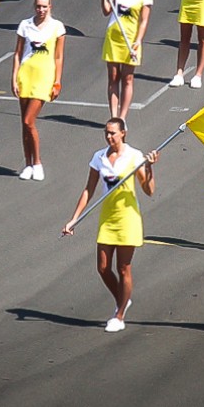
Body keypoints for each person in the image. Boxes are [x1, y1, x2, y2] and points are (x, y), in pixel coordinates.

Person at [61, 117, 159, 333]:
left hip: (127, 218)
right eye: (106, 132)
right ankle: (123, 298)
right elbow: (89, 189)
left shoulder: (134, 156)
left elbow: (149, 190)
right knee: (103, 268)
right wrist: (74, 218)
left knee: (123, 268)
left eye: (113, 133)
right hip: (107, 218)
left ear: (123, 133)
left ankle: (120, 314)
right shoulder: (99, 157)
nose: (109, 136)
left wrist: (149, 168)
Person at [12, 0, 65, 180]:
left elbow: (58, 57)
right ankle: (27, 164)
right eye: (38, 6)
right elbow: (18, 53)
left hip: (44, 78)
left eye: (44, 6)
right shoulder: (25, 25)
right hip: (26, 75)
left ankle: (38, 163)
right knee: (23, 124)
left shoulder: (57, 27)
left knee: (29, 121)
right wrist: (14, 78)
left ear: (50, 6)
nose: (41, 10)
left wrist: (57, 81)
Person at [99, 0, 153, 119]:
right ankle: (114, 116)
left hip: (131, 39)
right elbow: (106, 10)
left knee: (127, 78)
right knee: (113, 77)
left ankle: (122, 118)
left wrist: (138, 40)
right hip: (113, 37)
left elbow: (143, 21)